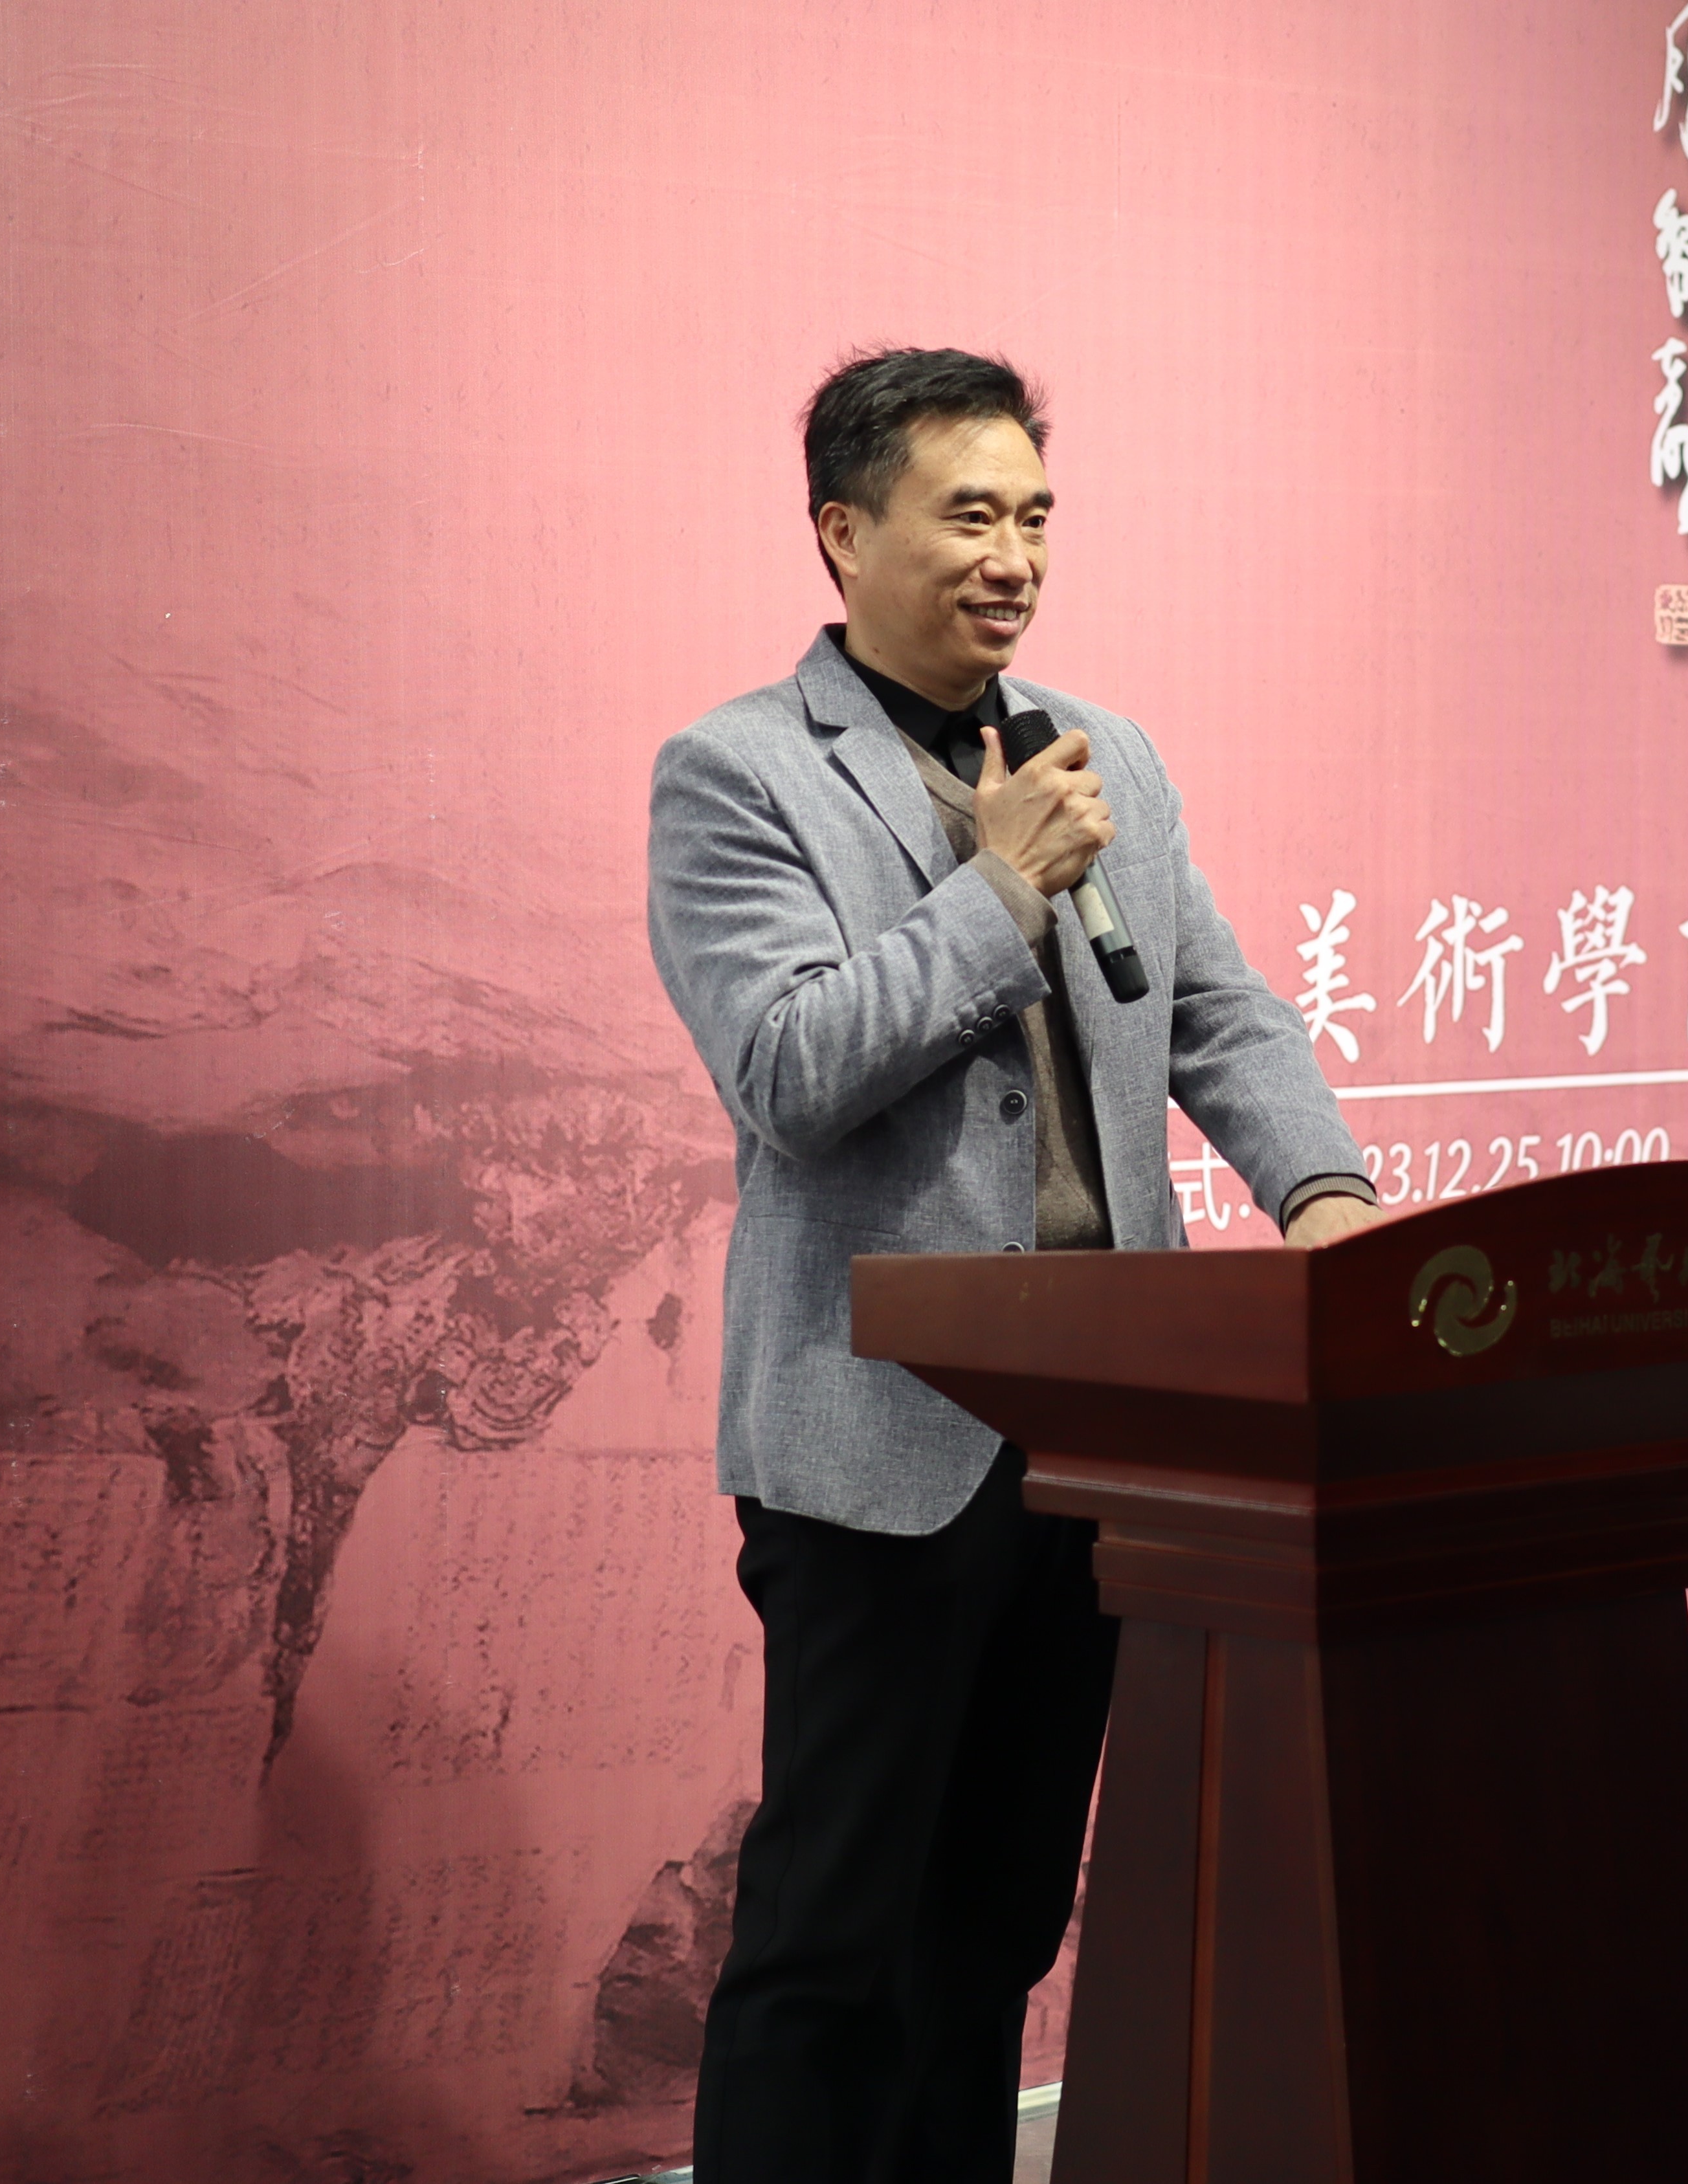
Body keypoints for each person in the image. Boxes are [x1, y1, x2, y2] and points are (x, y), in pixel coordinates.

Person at [646, 346, 1379, 2181]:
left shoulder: (1097, 751)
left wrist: (1323, 1193)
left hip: (1104, 1435)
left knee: (993, 1930)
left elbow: (1216, 1011)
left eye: (1037, 517)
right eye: (969, 515)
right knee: (832, 1941)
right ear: (843, 532)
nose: (1014, 558)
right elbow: (790, 1069)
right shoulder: (738, 774)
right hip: (879, 1445)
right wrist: (1000, 892)